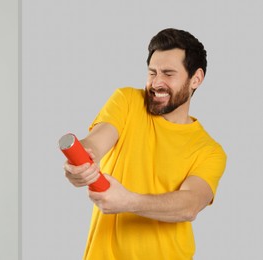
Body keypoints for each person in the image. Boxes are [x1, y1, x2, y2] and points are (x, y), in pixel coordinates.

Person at [64, 28, 226, 259]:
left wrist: (128, 201)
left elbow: (190, 205)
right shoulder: (128, 101)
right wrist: (82, 162)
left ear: (196, 79)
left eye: (168, 74)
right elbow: (97, 141)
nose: (156, 83)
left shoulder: (209, 150)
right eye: (152, 73)